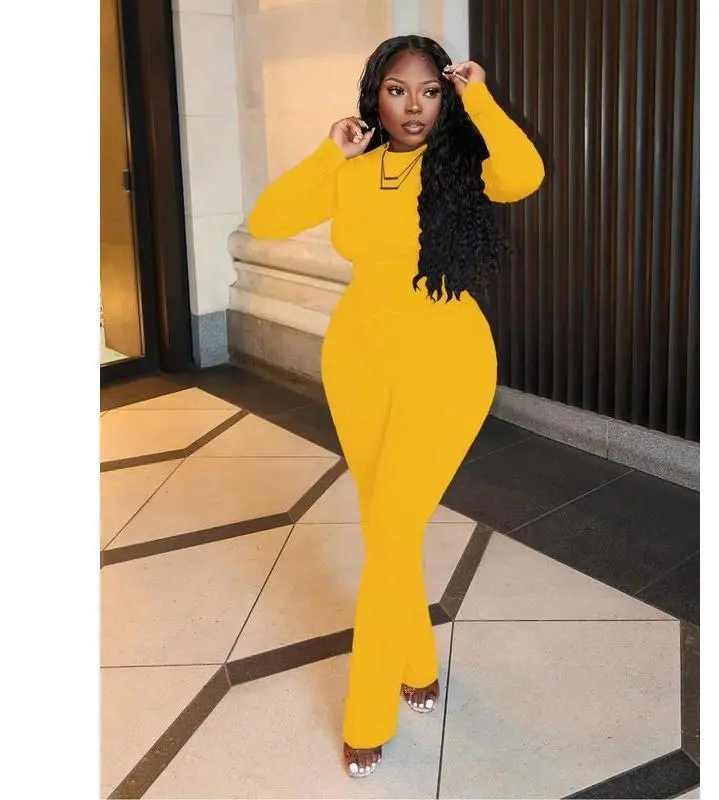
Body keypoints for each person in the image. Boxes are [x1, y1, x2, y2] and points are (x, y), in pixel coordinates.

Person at [247, 34, 545, 778]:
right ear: (373, 97)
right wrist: (330, 153)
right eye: (397, 90)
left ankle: (367, 714)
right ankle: (418, 665)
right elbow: (269, 219)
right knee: (388, 529)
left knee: (389, 531)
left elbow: (526, 173)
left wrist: (479, 96)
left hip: (446, 364)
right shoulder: (353, 170)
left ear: (446, 97)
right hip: (357, 362)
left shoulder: (462, 165)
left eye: (430, 91)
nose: (414, 106)